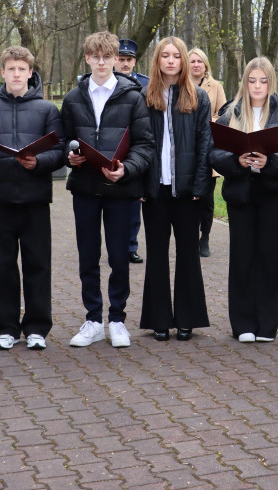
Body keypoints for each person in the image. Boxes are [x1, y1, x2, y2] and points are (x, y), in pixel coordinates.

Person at [61, 31, 154, 349]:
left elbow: (145, 144)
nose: (101, 62)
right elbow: (64, 140)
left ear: (117, 60)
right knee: (88, 256)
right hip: (85, 187)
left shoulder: (133, 96)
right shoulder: (73, 98)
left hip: (121, 189)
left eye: (107, 57)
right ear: (87, 58)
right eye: (95, 57)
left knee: (118, 257)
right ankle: (92, 319)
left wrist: (126, 168)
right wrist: (69, 157)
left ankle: (117, 320)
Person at [0, 47, 64, 351]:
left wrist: (38, 162)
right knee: (1, 267)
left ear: (30, 73)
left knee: (38, 265)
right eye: (10, 69)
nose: (16, 74)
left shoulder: (47, 110)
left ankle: (37, 328)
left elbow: (59, 152)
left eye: (21, 69)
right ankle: (6, 328)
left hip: (35, 201)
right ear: (2, 73)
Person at [209, 56, 278, 342]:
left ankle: (267, 325)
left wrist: (268, 161)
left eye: (263, 81)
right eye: (252, 81)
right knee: (242, 258)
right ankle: (243, 325)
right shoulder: (230, 114)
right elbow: (214, 153)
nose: (257, 86)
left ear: (271, 82)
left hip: (272, 196)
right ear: (245, 82)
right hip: (240, 197)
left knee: (271, 258)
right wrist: (238, 161)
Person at [139, 37, 212, 341]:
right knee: (156, 254)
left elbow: (205, 144)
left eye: (176, 56)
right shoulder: (144, 97)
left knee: (187, 255)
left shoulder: (198, 98)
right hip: (154, 190)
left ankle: (187, 318)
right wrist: (142, 184)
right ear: (157, 61)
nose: (170, 61)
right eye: (164, 56)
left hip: (186, 192)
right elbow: (139, 144)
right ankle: (159, 319)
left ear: (183, 61)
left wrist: (199, 185)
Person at [189, 47, 227, 257]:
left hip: (208, 148)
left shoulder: (216, 87)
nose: (196, 65)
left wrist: (204, 123)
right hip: (186, 149)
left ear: (205, 65)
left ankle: (205, 237)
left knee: (206, 198)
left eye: (199, 61)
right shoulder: (180, 84)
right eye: (192, 61)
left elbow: (223, 115)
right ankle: (190, 235)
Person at [115, 37, 149, 265]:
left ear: (134, 62)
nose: (125, 64)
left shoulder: (145, 84)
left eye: (129, 60)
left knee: (134, 202)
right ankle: (114, 244)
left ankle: (131, 246)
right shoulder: (108, 82)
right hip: (113, 146)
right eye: (121, 59)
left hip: (136, 146)